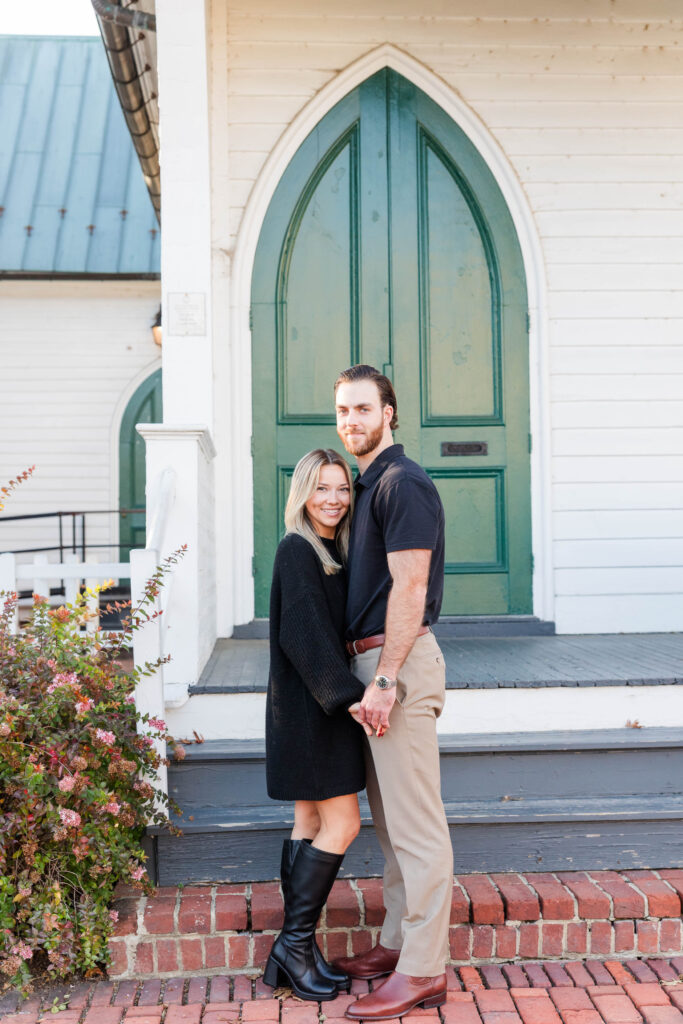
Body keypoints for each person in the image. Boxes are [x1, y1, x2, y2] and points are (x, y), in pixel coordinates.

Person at [332, 364, 453, 1020]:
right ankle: (396, 942)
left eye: (362, 410)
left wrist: (384, 679)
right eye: (343, 411)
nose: (351, 422)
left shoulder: (402, 484)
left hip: (395, 667)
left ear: (390, 413)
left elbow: (410, 589)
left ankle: (424, 969)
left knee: (417, 827)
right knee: (392, 824)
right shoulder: (370, 482)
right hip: (375, 666)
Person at [263, 448, 369, 1002]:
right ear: (302, 493)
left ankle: (296, 952)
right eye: (321, 488)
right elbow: (301, 636)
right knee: (343, 824)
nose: (332, 499)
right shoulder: (297, 549)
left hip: (308, 709)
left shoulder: (332, 549)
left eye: (342, 489)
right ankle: (293, 944)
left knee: (308, 822)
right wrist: (349, 698)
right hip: (313, 712)